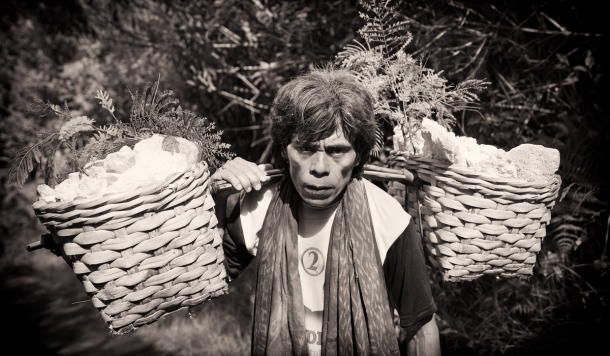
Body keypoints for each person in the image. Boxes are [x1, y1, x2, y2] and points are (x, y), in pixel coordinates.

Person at [212, 67, 440, 356]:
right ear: (285, 150)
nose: (319, 167)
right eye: (305, 149)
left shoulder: (388, 219)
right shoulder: (258, 205)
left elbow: (420, 327)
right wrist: (213, 193)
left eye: (337, 151)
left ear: (359, 154)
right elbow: (202, 278)